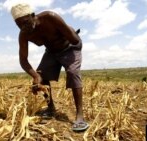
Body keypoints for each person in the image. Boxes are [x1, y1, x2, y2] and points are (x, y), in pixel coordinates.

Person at [11, 3, 89, 131]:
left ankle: (80, 116)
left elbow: (75, 40)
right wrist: (36, 76)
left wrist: (66, 34)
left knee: (72, 72)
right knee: (42, 75)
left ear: (32, 15)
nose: (23, 27)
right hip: (52, 52)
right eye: (19, 25)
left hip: (70, 47)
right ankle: (50, 108)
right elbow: (23, 60)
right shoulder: (24, 34)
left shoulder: (50, 17)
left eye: (25, 22)